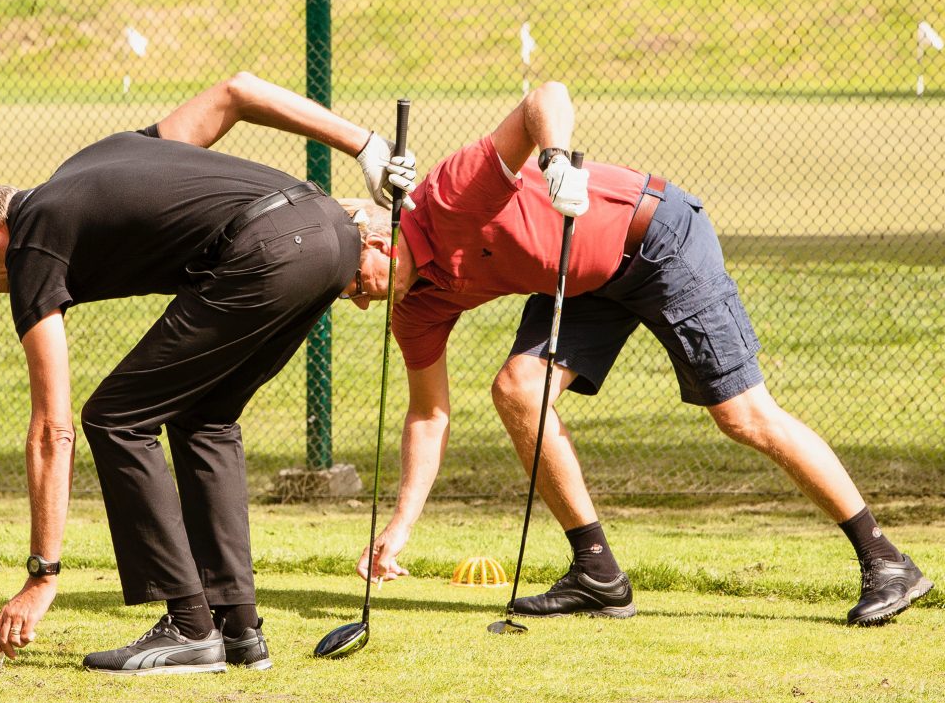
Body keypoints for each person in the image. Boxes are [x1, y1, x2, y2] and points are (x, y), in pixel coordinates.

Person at [336, 80, 932, 627]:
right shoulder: (415, 309)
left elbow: (546, 96)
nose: (362, 302)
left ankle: (886, 560)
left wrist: (557, 161)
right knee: (520, 387)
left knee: (743, 415)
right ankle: (597, 572)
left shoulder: (449, 192)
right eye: (349, 297)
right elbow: (428, 414)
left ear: (378, 239)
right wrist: (401, 526)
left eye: (357, 283)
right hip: (583, 279)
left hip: (656, 238)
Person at [0, 72, 416, 674]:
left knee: (115, 417)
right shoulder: (99, 156)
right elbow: (236, 93)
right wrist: (366, 147)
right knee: (205, 416)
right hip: (333, 235)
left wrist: (42, 574)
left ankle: (187, 625)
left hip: (270, 251)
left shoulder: (33, 241)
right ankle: (236, 627)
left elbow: (53, 429)